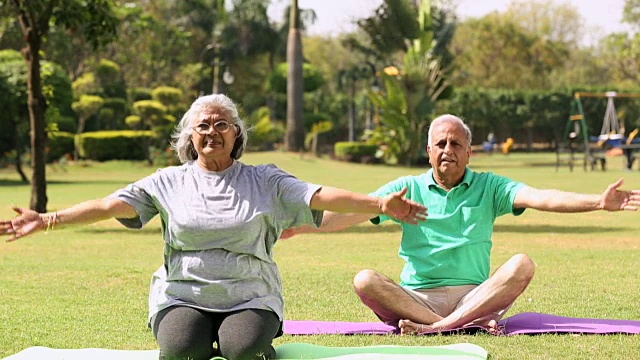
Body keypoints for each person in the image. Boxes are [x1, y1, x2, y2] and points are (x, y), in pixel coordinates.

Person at [0, 94, 427, 360]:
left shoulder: (265, 179)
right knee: (181, 351)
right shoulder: (168, 181)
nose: (212, 131)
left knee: (243, 351)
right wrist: (49, 218)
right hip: (182, 293)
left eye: (222, 124)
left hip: (249, 294)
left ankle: (251, 337)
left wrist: (377, 203)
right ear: (190, 137)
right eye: (203, 125)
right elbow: (111, 204)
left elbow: (317, 196)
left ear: (236, 133)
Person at [282, 114, 640, 335]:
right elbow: (350, 213)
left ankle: (439, 328)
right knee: (364, 279)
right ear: (428, 151)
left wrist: (597, 202)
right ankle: (448, 324)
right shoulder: (403, 190)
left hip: (477, 296)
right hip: (417, 298)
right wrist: (301, 227)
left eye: (456, 143)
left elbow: (541, 196)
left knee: (522, 264)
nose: (447, 150)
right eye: (440, 143)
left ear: (469, 152)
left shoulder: (490, 187)